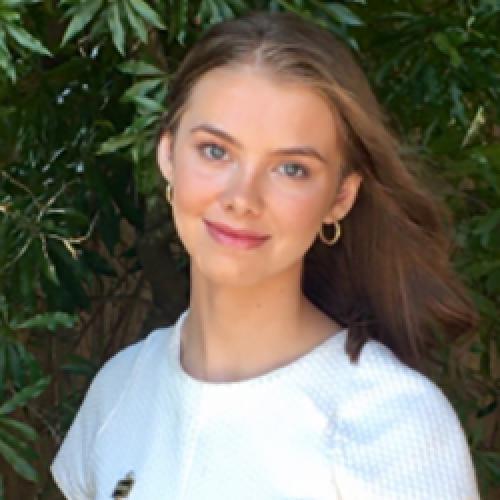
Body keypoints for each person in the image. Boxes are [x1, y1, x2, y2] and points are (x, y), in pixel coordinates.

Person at [51, 10, 481, 500]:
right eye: (215, 151)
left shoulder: (394, 427)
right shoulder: (119, 392)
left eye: (292, 168)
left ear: (340, 197)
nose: (242, 197)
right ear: (168, 155)